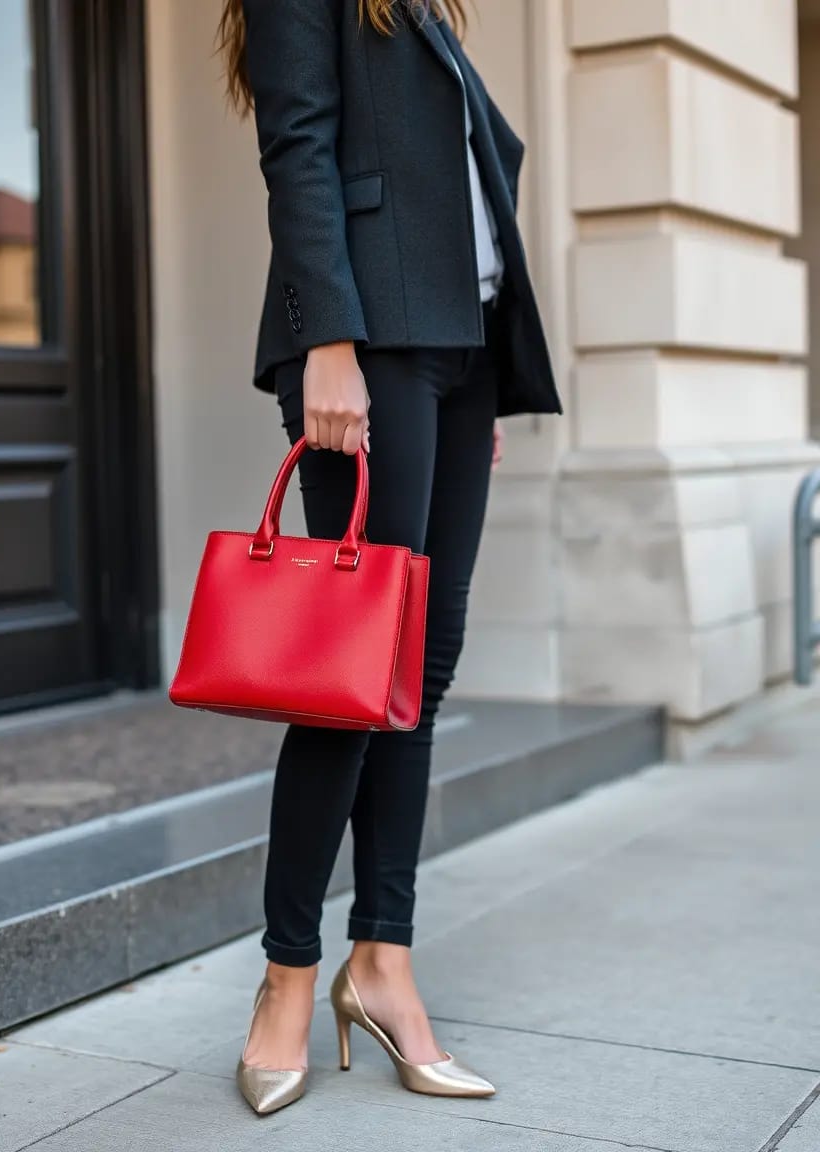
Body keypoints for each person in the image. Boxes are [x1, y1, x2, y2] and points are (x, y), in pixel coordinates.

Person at [218, 0, 561, 1116]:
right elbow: (299, 147)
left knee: (417, 668)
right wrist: (326, 343)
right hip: (369, 345)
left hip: (457, 348)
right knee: (349, 677)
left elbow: (453, 179)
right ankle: (285, 975)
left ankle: (384, 962)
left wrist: (483, 377)